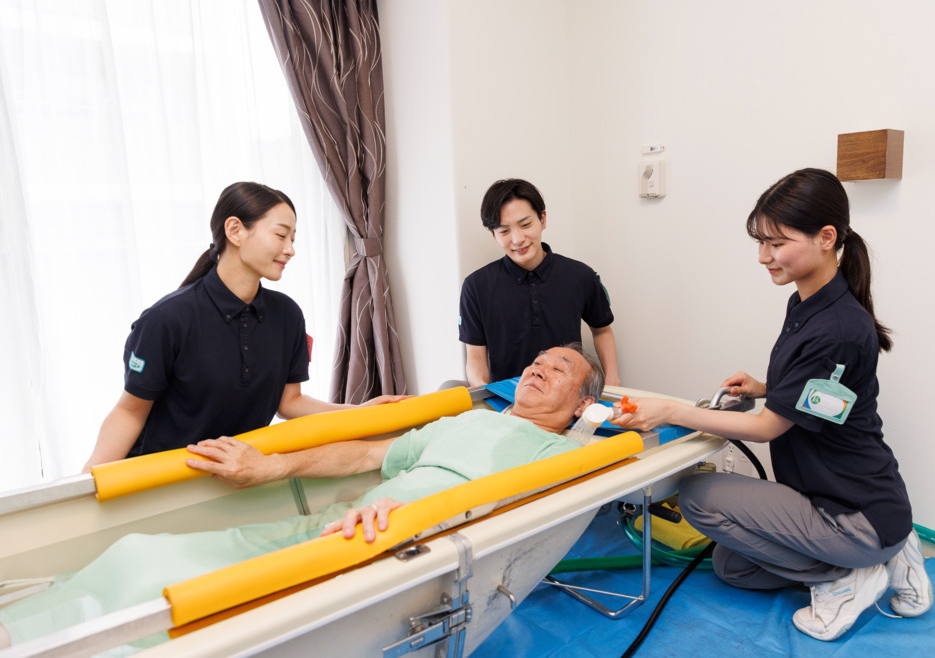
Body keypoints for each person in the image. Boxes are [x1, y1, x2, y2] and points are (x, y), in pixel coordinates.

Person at [0, 345, 604, 650]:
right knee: (141, 555)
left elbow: (532, 497)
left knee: (185, 605)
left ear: (581, 405)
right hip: (349, 521)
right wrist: (271, 466)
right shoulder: (463, 422)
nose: (538, 369)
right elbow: (366, 456)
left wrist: (411, 517)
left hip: (401, 538)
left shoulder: (565, 455)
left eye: (559, 369)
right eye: (536, 360)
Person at [612, 168, 933, 642]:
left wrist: (669, 410)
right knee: (732, 567)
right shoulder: (810, 301)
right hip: (838, 496)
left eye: (776, 243)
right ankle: (888, 551)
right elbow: (826, 396)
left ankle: (852, 575)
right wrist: (767, 387)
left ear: (826, 238)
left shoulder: (838, 327)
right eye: (760, 242)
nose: (763, 256)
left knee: (699, 496)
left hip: (851, 509)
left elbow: (765, 430)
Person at [83, 182, 403, 469]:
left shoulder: (287, 315)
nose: (290, 249)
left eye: (293, 238)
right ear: (235, 231)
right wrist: (85, 489)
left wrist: (361, 412)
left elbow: (289, 403)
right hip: (164, 478)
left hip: (239, 475)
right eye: (280, 235)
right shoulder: (166, 319)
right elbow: (130, 412)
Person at [457, 178, 620, 387]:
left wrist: (613, 380)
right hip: (509, 401)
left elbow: (602, 330)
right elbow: (475, 357)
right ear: (492, 234)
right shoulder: (476, 286)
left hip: (570, 396)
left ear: (542, 219)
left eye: (525, 225)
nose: (517, 239)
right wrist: (486, 399)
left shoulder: (580, 275)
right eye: (504, 231)